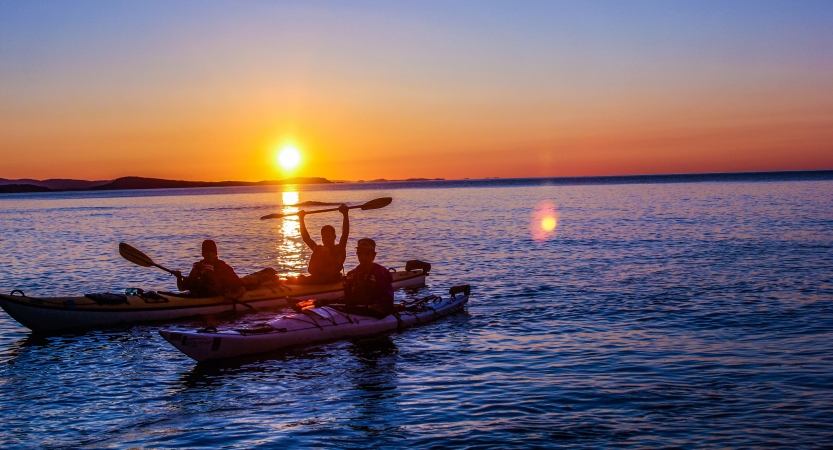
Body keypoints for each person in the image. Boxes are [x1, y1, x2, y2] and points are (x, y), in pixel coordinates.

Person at [296, 204, 349, 284]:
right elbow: (306, 238)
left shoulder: (339, 249)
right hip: (317, 279)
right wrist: (301, 219)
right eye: (324, 237)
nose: (326, 239)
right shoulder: (319, 249)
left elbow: (345, 234)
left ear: (334, 237)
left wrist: (345, 214)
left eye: (328, 237)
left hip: (332, 280)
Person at [173, 239, 244, 297]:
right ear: (203, 254)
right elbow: (181, 288)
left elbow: (241, 289)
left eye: (212, 251)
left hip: (215, 297)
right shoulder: (198, 267)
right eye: (207, 251)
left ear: (216, 253)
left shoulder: (222, 267)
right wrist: (179, 278)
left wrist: (232, 297)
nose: (209, 254)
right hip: (198, 296)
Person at [342, 238, 394, 318]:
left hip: (374, 313)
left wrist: (371, 303)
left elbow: (388, 299)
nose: (363, 257)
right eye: (359, 253)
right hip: (356, 312)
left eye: (366, 253)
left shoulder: (381, 275)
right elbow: (347, 297)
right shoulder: (352, 275)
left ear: (373, 255)